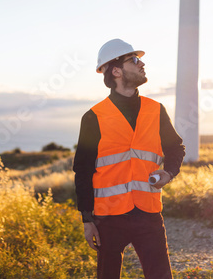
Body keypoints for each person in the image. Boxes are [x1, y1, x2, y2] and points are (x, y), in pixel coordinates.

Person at [73, 39, 185, 279]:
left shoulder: (156, 110)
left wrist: (169, 172)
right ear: (116, 71)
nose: (142, 63)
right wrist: (87, 219)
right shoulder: (94, 117)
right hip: (108, 218)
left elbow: (176, 148)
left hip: (148, 214)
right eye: (134, 60)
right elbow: (82, 170)